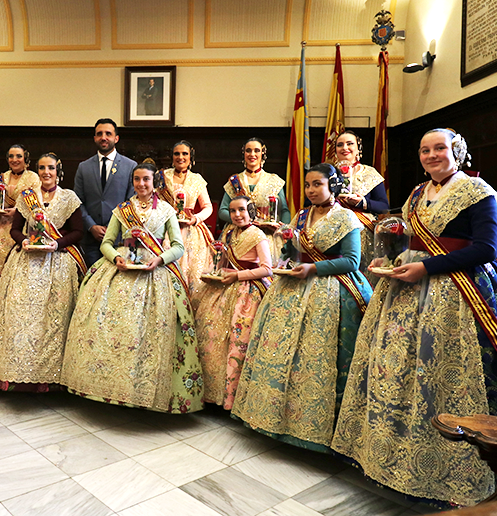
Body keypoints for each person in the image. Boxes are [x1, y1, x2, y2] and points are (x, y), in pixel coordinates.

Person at [331, 129, 497, 507]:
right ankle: (392, 456)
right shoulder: (416, 194)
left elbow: (486, 249)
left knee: (441, 369)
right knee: (397, 371)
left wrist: (426, 268)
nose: (431, 155)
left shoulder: (477, 192)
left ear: (457, 151)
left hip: (460, 292)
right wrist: (389, 260)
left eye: (439, 148)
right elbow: (409, 241)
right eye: (425, 150)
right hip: (403, 292)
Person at [232, 163, 372, 452]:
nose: (310, 190)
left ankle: (314, 427)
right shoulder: (302, 215)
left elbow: (352, 261)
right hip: (291, 288)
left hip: (331, 290)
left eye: (317, 184)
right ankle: (272, 417)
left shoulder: (346, 217)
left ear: (333, 185)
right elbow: (292, 251)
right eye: (308, 185)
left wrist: (313, 268)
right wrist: (286, 256)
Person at [61, 163, 204, 414]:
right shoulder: (122, 210)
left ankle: (143, 390)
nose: (141, 184)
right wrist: (116, 257)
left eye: (146, 179)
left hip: (155, 273)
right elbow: (106, 243)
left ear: (154, 182)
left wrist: (159, 259)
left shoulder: (166, 210)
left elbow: (178, 247)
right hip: (121, 271)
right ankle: (110, 387)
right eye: (137, 179)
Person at [0, 153, 85, 392]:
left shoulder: (69, 197)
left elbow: (78, 232)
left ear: (58, 171)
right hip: (26, 260)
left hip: (57, 261)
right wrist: (23, 241)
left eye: (50, 168)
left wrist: (57, 244)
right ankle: (15, 376)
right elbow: (15, 230)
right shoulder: (27, 197)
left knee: (53, 318)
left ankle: (49, 380)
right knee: (18, 313)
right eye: (42, 168)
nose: (46, 172)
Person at [193, 196, 272, 409]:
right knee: (211, 336)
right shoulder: (229, 233)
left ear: (251, 212)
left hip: (246, 293)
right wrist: (215, 271)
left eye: (242, 210)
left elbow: (267, 269)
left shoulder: (258, 235)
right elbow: (223, 261)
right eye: (233, 211)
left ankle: (231, 398)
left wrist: (238, 276)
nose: (237, 215)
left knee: (236, 340)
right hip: (223, 288)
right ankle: (211, 393)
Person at [73, 118, 136, 267]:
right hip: (91, 239)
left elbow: (131, 201)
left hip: (119, 239)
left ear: (116, 138)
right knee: (92, 279)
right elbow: (77, 201)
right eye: (99, 134)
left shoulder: (130, 166)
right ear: (95, 138)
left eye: (108, 133)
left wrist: (112, 228)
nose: (103, 137)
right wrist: (91, 226)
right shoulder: (83, 167)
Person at [156, 141, 215, 294]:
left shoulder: (197, 179)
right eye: (177, 153)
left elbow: (208, 207)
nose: (180, 157)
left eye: (185, 154)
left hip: (191, 231)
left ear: (191, 157)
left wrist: (196, 218)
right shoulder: (162, 177)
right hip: (165, 229)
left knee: (192, 274)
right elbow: (153, 202)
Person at [218, 138, 290, 264]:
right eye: (248, 151)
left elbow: (284, 210)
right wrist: (242, 220)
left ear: (263, 153)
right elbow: (222, 211)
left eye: (256, 150)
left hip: (267, 234)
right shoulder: (235, 181)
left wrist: (282, 229)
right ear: (243, 153)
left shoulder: (274, 180)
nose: (252, 154)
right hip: (238, 234)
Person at [330, 131, 389, 282]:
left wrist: (362, 203)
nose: (345, 148)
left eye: (350, 144)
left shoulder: (370, 173)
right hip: (332, 233)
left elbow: (383, 206)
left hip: (364, 236)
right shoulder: (327, 174)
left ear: (358, 149)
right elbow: (309, 203)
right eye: (340, 145)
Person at [0, 144, 40, 270]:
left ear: (25, 158)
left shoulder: (33, 178)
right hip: (0, 225)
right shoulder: (1, 177)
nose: (14, 159)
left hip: (21, 226)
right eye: (11, 156)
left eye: (19, 156)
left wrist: (17, 211)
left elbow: (36, 205)